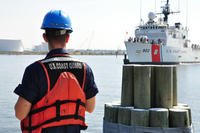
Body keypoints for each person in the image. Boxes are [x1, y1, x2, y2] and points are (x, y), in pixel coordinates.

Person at [14, 10, 98, 133]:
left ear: (45, 37)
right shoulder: (85, 69)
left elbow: (20, 114)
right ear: (68, 37)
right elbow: (90, 108)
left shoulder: (35, 70)